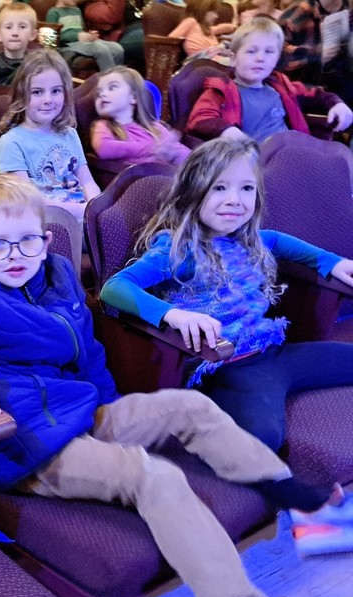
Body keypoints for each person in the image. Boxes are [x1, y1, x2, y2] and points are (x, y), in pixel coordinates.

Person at [0, 173, 350, 597]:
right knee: (155, 477)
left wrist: (110, 404)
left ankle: (282, 486)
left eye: (25, 240)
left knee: (191, 405)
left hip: (86, 412)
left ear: (45, 240)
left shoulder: (57, 276)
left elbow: (88, 350)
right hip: (31, 446)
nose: (13, 254)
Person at [100, 137, 353, 451]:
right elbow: (114, 288)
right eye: (219, 188)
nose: (235, 200)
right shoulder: (178, 249)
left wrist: (332, 262)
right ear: (192, 193)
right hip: (228, 368)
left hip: (273, 352)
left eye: (246, 188)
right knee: (262, 439)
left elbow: (281, 241)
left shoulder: (253, 240)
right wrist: (174, 315)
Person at [188, 17, 353, 140]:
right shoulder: (221, 90)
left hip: (292, 154)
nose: (260, 58)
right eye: (251, 51)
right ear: (233, 58)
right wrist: (226, 131)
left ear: (276, 60)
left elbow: (315, 95)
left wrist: (336, 104)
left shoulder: (281, 86)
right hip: (252, 164)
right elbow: (200, 119)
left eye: (269, 52)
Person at [0, 49, 101, 221]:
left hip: (83, 216)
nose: (48, 99)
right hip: (45, 222)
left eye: (56, 91)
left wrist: (97, 209)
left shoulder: (69, 134)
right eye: (37, 92)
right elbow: (26, 201)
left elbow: (87, 181)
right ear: (21, 96)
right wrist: (82, 212)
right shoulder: (11, 143)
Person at [91, 66, 191, 165]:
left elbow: (178, 151)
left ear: (133, 97)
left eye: (112, 87)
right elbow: (104, 148)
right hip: (137, 178)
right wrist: (151, 149)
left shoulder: (154, 127)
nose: (102, 94)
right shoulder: (103, 126)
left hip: (169, 176)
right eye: (99, 92)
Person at [278, 0, 353, 104]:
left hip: (344, 84)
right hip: (309, 92)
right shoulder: (302, 9)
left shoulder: (349, 7)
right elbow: (277, 52)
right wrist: (316, 54)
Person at [47, 0, 125, 70]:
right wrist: (76, 36)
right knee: (100, 48)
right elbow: (52, 37)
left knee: (117, 48)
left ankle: (117, 74)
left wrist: (89, 35)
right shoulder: (53, 12)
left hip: (83, 42)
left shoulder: (77, 10)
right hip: (68, 45)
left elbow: (81, 29)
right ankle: (109, 79)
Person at [0, 3, 36, 89]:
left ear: (32, 34)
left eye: (22, 27)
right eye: (8, 27)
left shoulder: (35, 63)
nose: (15, 33)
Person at [168, 0, 235, 61]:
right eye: (213, 12)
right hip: (202, 61)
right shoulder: (191, 21)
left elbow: (220, 28)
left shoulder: (206, 29)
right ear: (202, 10)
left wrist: (236, 28)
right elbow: (171, 39)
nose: (216, 16)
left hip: (216, 59)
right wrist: (183, 38)